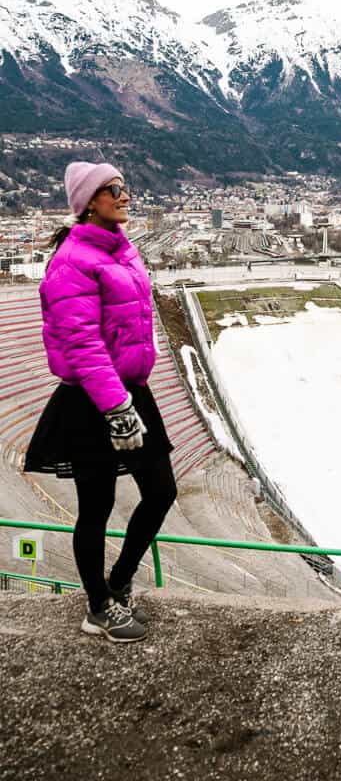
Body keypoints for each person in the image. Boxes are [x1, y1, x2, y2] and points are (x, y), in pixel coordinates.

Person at [25, 162, 177, 644]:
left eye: (125, 186)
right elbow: (82, 343)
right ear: (90, 201)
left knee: (161, 491)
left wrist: (130, 397)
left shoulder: (122, 249)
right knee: (96, 506)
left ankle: (119, 581)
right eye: (115, 189)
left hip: (131, 388)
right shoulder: (72, 261)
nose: (126, 195)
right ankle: (97, 607)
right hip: (94, 400)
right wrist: (116, 408)